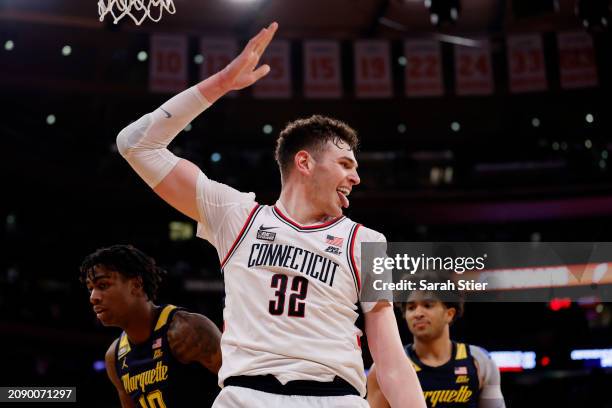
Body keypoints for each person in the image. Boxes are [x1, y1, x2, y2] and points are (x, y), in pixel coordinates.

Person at [115, 22, 426, 408]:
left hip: (336, 398)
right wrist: (221, 85)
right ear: (305, 162)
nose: (356, 176)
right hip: (245, 396)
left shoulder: (368, 242)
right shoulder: (236, 215)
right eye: (345, 164)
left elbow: (392, 361)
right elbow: (135, 144)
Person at [80, 244, 222, 407]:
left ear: (136, 285)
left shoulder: (186, 330)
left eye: (103, 286)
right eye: (90, 289)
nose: (93, 297)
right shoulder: (114, 357)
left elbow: (243, 384)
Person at [367, 290, 506, 408]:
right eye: (411, 308)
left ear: (449, 314)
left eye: (428, 305)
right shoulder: (385, 367)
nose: (418, 313)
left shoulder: (480, 361)